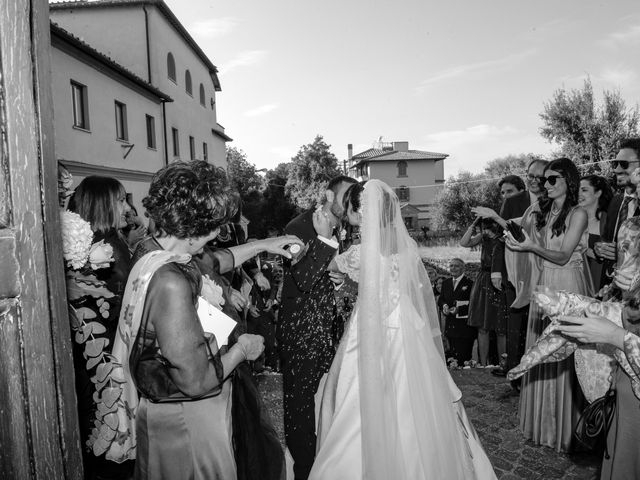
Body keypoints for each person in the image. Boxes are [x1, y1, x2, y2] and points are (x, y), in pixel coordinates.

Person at [98, 161, 302, 480]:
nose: (218, 233)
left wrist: (263, 245)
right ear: (195, 225)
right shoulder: (170, 281)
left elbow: (218, 260)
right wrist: (244, 349)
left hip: (172, 413)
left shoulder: (156, 254)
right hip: (185, 422)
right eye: (215, 225)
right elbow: (195, 381)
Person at [309, 180, 496, 480]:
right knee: (414, 398)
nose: (349, 215)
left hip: (371, 326)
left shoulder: (360, 252)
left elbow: (332, 268)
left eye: (351, 209)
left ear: (362, 210)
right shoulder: (406, 247)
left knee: (360, 397)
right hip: (407, 327)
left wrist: (324, 239)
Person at [505, 157, 591, 452]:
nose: (547, 184)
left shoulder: (578, 214)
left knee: (564, 354)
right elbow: (531, 245)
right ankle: (541, 424)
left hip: (567, 285)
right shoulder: (543, 211)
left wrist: (531, 246)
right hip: (545, 286)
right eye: (545, 180)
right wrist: (523, 244)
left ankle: (567, 429)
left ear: (569, 181)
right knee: (541, 351)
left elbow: (565, 255)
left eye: (553, 179)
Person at [278, 175, 357, 480]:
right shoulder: (298, 227)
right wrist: (325, 243)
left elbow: (324, 276)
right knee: (300, 408)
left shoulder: (341, 229)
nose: (352, 202)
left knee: (325, 399)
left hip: (328, 331)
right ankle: (304, 471)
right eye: (347, 195)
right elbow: (303, 278)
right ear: (328, 194)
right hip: (301, 333)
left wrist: (339, 282)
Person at [67, 175, 134, 480]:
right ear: (104, 204)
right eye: (121, 200)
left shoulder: (102, 243)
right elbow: (119, 309)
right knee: (108, 438)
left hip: (97, 353)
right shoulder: (104, 249)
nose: (128, 207)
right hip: (105, 358)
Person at [473, 161, 548, 384]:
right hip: (514, 269)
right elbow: (500, 238)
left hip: (545, 267)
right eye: (530, 175)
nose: (534, 180)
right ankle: (516, 372)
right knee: (515, 322)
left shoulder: (555, 201)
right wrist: (497, 270)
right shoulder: (514, 202)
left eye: (540, 176)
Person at [460, 217, 509, 367]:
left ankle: (504, 363)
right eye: (484, 227)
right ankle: (483, 363)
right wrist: (473, 225)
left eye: (489, 227)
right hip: (483, 282)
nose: (486, 231)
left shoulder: (505, 239)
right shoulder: (483, 238)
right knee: (483, 326)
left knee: (502, 328)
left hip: (501, 280)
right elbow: (464, 243)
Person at [595, 138, 640, 288]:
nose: (616, 170)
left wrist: (623, 254)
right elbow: (607, 239)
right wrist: (600, 249)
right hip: (610, 286)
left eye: (624, 164)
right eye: (615, 164)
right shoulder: (615, 202)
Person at [437, 258, 476, 364]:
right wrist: (444, 306)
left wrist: (459, 310)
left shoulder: (470, 284)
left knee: (464, 360)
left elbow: (474, 304)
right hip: (450, 328)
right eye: (451, 266)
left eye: (456, 266)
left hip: (465, 329)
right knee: (452, 361)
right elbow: (441, 299)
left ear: (463, 268)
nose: (453, 268)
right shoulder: (446, 283)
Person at [578, 175, 613, 292]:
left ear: (598, 193)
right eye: (577, 189)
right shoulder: (571, 219)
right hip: (574, 279)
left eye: (584, 190)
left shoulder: (608, 221)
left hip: (598, 283)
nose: (578, 194)